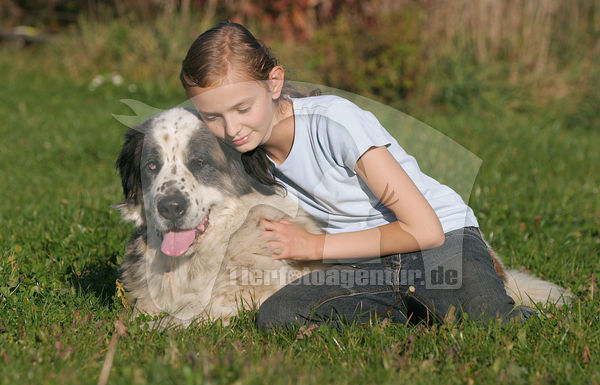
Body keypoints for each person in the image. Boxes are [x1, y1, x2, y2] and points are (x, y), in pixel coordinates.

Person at [179, 21, 533, 329]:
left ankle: (457, 302)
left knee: (488, 322)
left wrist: (314, 247)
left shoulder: (335, 122)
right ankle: (420, 310)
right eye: (212, 117)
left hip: (441, 242)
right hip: (367, 264)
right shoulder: (240, 154)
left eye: (243, 108)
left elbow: (425, 229)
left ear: (274, 83)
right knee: (280, 314)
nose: (231, 128)